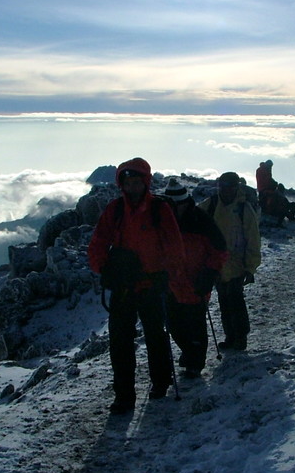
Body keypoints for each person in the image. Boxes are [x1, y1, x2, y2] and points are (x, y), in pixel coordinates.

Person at [88, 157, 193, 415]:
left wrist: (169, 273)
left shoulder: (159, 209)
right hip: (124, 287)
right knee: (120, 342)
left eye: (137, 182)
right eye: (128, 183)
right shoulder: (115, 210)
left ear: (145, 183)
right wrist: (103, 269)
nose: (132, 188)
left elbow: (174, 245)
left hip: (151, 284)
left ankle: (161, 381)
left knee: (155, 335)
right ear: (122, 184)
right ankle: (124, 395)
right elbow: (99, 242)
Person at [162, 178, 228, 378]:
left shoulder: (201, 220)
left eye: (177, 206)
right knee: (174, 325)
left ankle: (195, 363)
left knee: (195, 325)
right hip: (171, 284)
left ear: (184, 202)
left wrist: (208, 275)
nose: (174, 210)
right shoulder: (162, 222)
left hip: (196, 283)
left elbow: (219, 250)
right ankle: (189, 353)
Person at [198, 172, 261, 351]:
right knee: (225, 301)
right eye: (222, 186)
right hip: (216, 264)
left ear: (236, 187)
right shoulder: (211, 205)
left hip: (237, 265)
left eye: (229, 187)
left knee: (235, 301)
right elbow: (195, 218)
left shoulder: (243, 209)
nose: (225, 190)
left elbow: (253, 239)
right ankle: (231, 336)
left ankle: (240, 337)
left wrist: (250, 267)